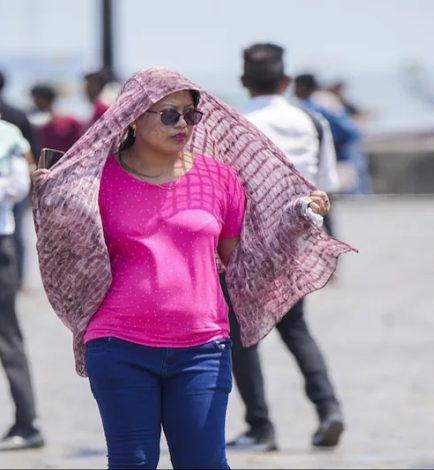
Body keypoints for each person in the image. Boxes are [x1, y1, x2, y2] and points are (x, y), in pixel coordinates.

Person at [31, 68, 353, 469]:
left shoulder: (218, 179)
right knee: (131, 462)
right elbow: (68, 257)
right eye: (169, 114)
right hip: (118, 345)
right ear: (132, 116)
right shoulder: (96, 181)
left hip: (203, 349)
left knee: (204, 463)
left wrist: (295, 225)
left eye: (190, 114)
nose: (183, 123)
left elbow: (244, 263)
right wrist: (53, 203)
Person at [224, 42, 344, 451]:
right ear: (287, 80)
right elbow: (330, 181)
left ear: (243, 81)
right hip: (295, 237)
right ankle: (329, 410)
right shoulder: (311, 120)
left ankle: (260, 427)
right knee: (296, 330)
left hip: (244, 242)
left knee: (242, 335)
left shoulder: (233, 123)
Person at [0, 120, 42, 451]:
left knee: (6, 337)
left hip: (1, 246)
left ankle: (27, 423)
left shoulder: (7, 134)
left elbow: (18, 187)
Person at [0, 71, 36, 289]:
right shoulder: (17, 115)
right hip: (16, 183)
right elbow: (30, 149)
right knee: (15, 230)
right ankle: (17, 277)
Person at [29, 84, 82, 153]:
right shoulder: (40, 126)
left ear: (43, 99)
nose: (35, 102)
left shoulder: (70, 122)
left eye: (36, 98)